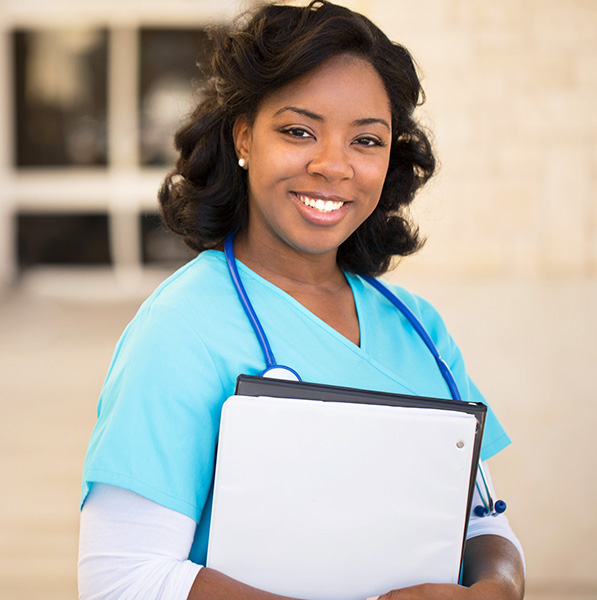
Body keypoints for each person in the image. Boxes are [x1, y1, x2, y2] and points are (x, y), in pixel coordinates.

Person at [78, 2, 525, 599]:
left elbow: (483, 520)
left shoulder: (419, 329)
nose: (332, 165)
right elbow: (121, 578)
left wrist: (498, 588)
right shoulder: (184, 325)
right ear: (244, 138)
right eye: (298, 131)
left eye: (366, 140)